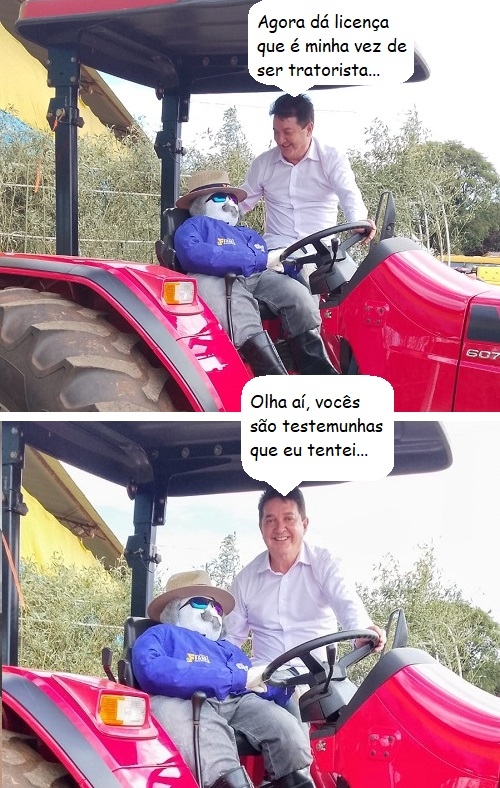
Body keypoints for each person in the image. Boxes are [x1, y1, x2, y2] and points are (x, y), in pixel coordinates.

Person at [132, 569, 313, 788]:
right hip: (180, 699)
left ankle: (296, 779)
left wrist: (279, 686)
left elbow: (248, 679)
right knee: (211, 739)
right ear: (173, 609)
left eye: (216, 607)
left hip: (235, 700)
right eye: (200, 603)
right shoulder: (160, 634)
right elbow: (151, 668)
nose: (212, 612)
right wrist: (230, 678)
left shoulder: (228, 649)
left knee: (285, 728)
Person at [174, 168, 337, 375]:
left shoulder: (246, 233)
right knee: (239, 307)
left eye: (233, 198)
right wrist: (252, 260)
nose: (230, 203)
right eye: (220, 197)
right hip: (215, 278)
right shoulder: (194, 226)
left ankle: (319, 371)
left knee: (297, 295)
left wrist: (286, 264)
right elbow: (193, 254)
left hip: (256, 276)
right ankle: (271, 375)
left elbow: (262, 254)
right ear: (199, 204)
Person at [225, 487, 386, 678]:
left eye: (288, 519)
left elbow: (348, 605)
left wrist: (363, 632)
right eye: (270, 521)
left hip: (320, 680)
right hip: (264, 682)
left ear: (304, 524)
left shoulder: (325, 564)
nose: (280, 528)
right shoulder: (244, 580)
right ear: (261, 528)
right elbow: (230, 638)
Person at [239, 94, 376, 284]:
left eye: (287, 132)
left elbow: (349, 194)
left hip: (324, 252)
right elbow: (240, 204)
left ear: (309, 129)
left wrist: (358, 221)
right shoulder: (263, 164)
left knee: (360, 285)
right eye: (276, 132)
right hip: (278, 254)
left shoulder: (331, 158)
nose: (280, 140)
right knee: (302, 284)